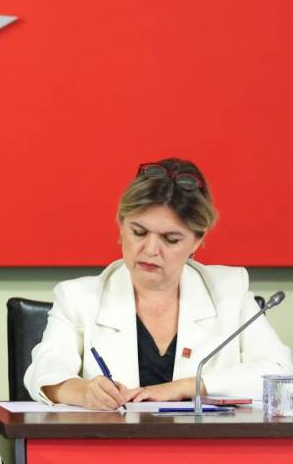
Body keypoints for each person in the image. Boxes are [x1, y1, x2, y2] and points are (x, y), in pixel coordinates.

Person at [24, 158, 293, 409]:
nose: (151, 249)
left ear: (197, 240)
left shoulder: (229, 290)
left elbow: (282, 372)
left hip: (207, 444)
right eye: (138, 232)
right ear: (121, 226)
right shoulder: (79, 297)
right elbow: (45, 370)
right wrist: (82, 391)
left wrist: (186, 387)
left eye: (170, 239)